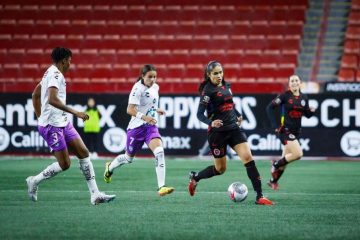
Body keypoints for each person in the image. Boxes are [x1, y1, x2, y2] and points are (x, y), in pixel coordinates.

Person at [27, 47, 115, 205]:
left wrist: (40, 116)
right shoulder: (55, 75)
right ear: (63, 60)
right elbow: (52, 99)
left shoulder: (50, 72)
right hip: (52, 126)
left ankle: (95, 194)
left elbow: (35, 95)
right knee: (65, 164)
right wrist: (76, 113)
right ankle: (34, 181)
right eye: (69, 60)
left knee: (83, 152)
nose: (70, 64)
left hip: (62, 123)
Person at [188, 61, 273, 205]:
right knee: (220, 169)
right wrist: (211, 123)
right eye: (215, 73)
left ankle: (260, 196)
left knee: (248, 158)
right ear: (209, 75)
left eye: (221, 72)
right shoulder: (208, 91)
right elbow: (199, 114)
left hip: (234, 129)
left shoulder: (226, 86)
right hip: (217, 133)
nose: (219, 75)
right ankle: (195, 177)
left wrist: (238, 115)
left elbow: (230, 104)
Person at [103, 64, 174, 196]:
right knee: (128, 158)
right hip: (136, 129)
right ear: (142, 76)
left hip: (150, 127)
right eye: (150, 77)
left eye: (155, 77)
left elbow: (149, 106)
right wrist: (145, 117)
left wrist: (156, 110)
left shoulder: (155, 87)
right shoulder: (137, 88)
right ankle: (110, 167)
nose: (153, 79)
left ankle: (161, 187)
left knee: (159, 152)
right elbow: (130, 110)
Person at [266, 74, 316, 190]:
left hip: (296, 131)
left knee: (286, 159)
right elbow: (269, 108)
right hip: (285, 130)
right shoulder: (284, 96)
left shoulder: (304, 97)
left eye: (296, 80)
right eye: (292, 81)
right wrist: (275, 125)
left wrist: (312, 111)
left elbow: (307, 115)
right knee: (298, 154)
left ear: (300, 83)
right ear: (289, 84)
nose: (294, 82)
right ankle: (275, 164)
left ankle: (273, 181)